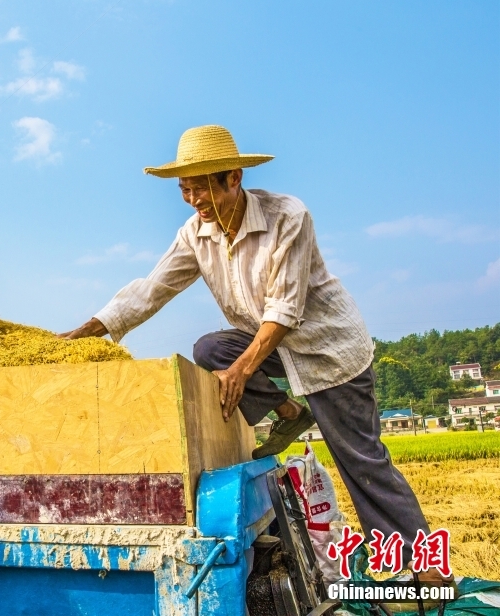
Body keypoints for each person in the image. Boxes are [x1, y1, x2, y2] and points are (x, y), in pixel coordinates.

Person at [59, 124, 449, 586]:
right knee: (210, 349)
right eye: (185, 189)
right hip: (271, 347)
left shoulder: (288, 216)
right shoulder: (195, 234)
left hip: (327, 352)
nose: (193, 200)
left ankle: (426, 570)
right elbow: (152, 288)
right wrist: (87, 332)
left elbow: (284, 310)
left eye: (202, 187)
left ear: (234, 178)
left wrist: (242, 371)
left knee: (360, 461)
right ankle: (289, 411)